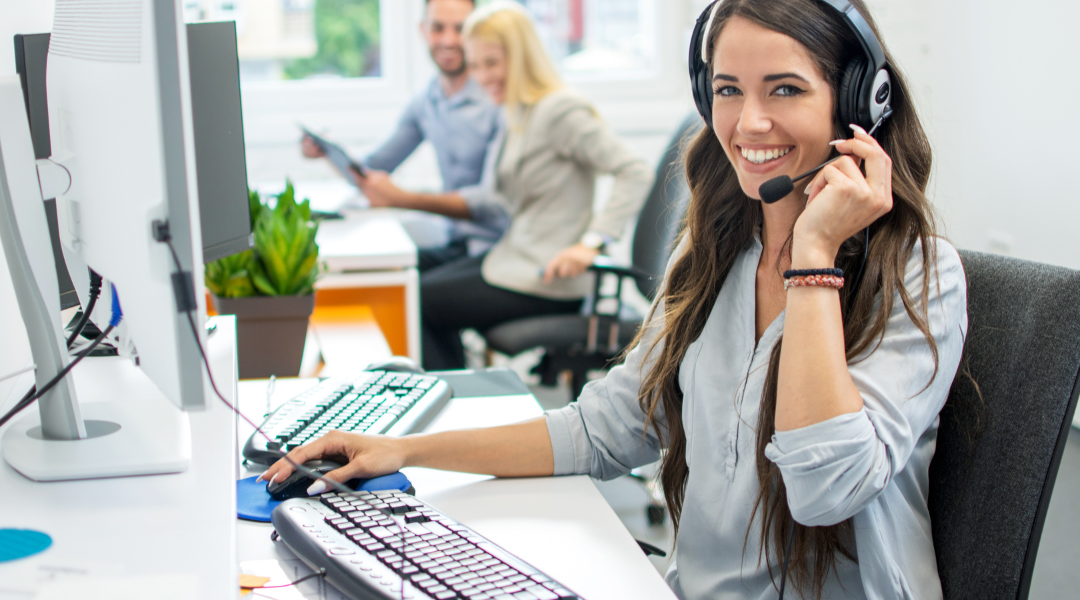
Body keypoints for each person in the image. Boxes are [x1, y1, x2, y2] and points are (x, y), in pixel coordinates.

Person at [262, 0, 968, 598]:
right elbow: (605, 428)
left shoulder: (918, 274)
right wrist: (407, 451)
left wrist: (813, 262)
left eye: (784, 89)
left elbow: (825, 494)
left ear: (858, 103)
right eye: (727, 90)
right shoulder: (719, 253)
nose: (749, 124)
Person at [355, 3, 654, 370]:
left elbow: (633, 170)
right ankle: (454, 396)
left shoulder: (560, 110)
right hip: (516, 260)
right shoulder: (517, 111)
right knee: (411, 289)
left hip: (548, 278)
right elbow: (495, 194)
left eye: (491, 64)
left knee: (418, 302)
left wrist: (591, 242)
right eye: (475, 64)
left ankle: (451, 408)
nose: (481, 76)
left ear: (522, 57)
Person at [301, 0, 506, 271]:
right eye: (437, 28)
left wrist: (401, 198)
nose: (448, 39)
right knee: (375, 275)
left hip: (494, 249)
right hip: (455, 243)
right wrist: (326, 152)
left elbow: (493, 201)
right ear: (423, 30)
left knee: (411, 295)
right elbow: (373, 168)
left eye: (460, 29)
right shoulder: (426, 101)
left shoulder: (497, 98)